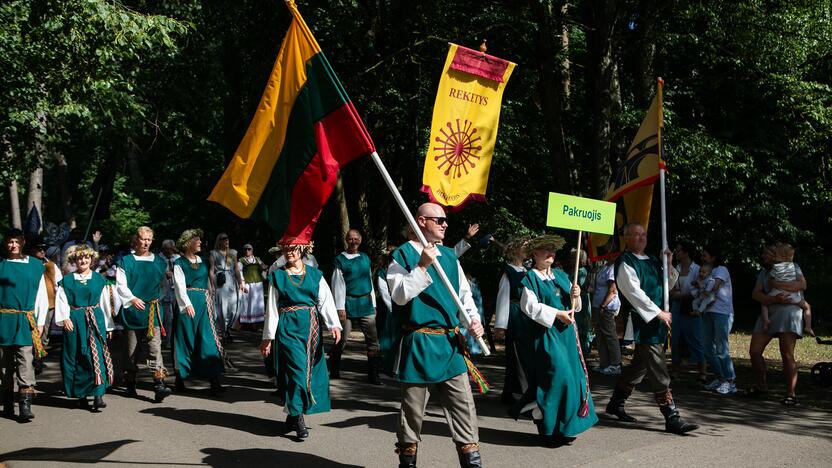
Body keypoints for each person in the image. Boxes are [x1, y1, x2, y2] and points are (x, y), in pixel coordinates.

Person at [387, 203, 485, 468]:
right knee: (412, 414)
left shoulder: (450, 257)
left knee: (465, 410)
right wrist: (421, 267)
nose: (445, 224)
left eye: (445, 220)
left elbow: (464, 295)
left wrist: (474, 321)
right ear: (421, 221)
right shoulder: (402, 255)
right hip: (419, 343)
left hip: (451, 345)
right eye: (439, 219)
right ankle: (407, 463)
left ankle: (472, 464)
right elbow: (398, 295)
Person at [605, 222, 698, 435]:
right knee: (657, 366)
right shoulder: (625, 262)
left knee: (640, 366)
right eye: (636, 234)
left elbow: (669, 284)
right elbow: (633, 292)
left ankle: (616, 403)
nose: (641, 238)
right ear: (627, 238)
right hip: (642, 322)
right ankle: (671, 416)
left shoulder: (654, 260)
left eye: (643, 234)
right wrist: (657, 312)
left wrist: (669, 263)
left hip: (656, 322)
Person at [512, 234, 596, 446]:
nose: (551, 253)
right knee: (558, 378)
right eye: (545, 249)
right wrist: (557, 314)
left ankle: (566, 428)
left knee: (574, 378)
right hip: (546, 335)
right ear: (535, 254)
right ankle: (548, 428)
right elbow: (529, 307)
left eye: (553, 250)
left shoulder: (561, 275)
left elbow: (575, 308)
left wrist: (575, 295)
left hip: (567, 336)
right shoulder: (529, 278)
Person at [259, 237, 342, 440]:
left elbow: (325, 300)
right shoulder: (277, 276)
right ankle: (298, 419)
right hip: (288, 327)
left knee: (308, 372)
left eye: (294, 248)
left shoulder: (315, 275)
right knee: (297, 371)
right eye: (286, 248)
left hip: (311, 329)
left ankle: (293, 410)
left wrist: (334, 324)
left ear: (303, 250)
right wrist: (268, 337)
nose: (289, 251)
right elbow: (272, 308)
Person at [55, 245, 115, 411]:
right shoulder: (66, 281)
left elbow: (104, 303)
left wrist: (109, 326)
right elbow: (61, 300)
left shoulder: (99, 279)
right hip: (75, 320)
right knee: (78, 355)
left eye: (86, 258)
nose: (83, 261)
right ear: (75, 260)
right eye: (80, 258)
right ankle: (81, 393)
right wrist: (64, 318)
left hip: (95, 319)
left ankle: (98, 394)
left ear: (91, 259)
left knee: (96, 355)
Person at [115, 226, 171, 402]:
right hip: (133, 311)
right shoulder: (126, 261)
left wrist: (157, 299)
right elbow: (121, 285)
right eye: (142, 239)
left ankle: (159, 383)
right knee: (132, 351)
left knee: (155, 348)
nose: (146, 242)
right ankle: (130, 380)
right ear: (136, 240)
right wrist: (132, 299)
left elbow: (163, 285)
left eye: (149, 239)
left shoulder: (159, 262)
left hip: (152, 311)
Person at [748, 243, 807, 405]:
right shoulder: (764, 272)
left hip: (789, 312)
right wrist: (774, 299)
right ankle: (761, 385)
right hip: (769, 310)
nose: (763, 257)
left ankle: (791, 394)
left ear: (775, 255)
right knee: (754, 351)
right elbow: (756, 294)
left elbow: (802, 284)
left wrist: (779, 287)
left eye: (766, 254)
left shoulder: (793, 267)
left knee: (787, 354)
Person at [0, 229, 48, 421]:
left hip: (26, 319)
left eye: (16, 241)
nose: (13, 245)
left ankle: (25, 405)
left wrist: (41, 321)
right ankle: (8, 402)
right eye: (10, 241)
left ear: (23, 242)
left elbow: (41, 296)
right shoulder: (1, 266)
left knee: (25, 361)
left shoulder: (35, 266)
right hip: (4, 319)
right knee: (4, 365)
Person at [171, 229, 225, 395]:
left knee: (208, 339)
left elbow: (209, 280)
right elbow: (179, 286)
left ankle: (214, 379)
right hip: (187, 304)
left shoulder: (204, 261)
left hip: (204, 303)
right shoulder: (179, 263)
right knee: (185, 339)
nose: (200, 242)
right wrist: (187, 304)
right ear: (189, 243)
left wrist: (218, 282)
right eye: (197, 240)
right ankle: (180, 378)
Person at [329, 229, 382, 384]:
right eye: (350, 239)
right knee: (341, 339)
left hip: (366, 303)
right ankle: (334, 370)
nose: (353, 241)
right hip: (348, 304)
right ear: (346, 240)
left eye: (356, 239)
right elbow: (337, 285)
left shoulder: (365, 258)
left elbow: (369, 282)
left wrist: (373, 304)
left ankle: (374, 375)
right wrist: (340, 308)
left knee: (373, 341)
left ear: (360, 240)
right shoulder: (340, 260)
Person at [494, 237, 530, 405]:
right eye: (524, 247)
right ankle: (513, 393)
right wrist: (500, 325)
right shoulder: (508, 271)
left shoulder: (528, 270)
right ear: (515, 250)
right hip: (514, 315)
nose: (527, 250)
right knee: (515, 355)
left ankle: (519, 391)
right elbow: (503, 297)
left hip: (527, 316)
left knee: (525, 355)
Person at [699, 245, 736, 395]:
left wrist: (703, 290)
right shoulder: (705, 271)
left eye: (705, 255)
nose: (702, 257)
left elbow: (715, 286)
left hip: (722, 313)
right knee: (707, 348)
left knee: (721, 348)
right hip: (708, 311)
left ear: (713, 257)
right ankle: (721, 379)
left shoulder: (721, 270)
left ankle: (730, 381)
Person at [669, 242, 706, 383]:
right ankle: (675, 370)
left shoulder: (697, 269)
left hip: (691, 307)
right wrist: (675, 294)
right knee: (676, 339)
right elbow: (671, 286)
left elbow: (700, 289)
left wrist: (684, 294)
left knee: (695, 338)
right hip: (677, 307)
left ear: (686, 253)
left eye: (679, 251)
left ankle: (702, 372)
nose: (677, 253)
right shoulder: (676, 268)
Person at [760, 243, 813, 337]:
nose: (762, 256)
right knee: (807, 307)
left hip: (777, 293)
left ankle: (766, 320)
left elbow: (770, 281)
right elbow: (799, 283)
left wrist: (776, 284)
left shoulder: (775, 268)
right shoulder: (793, 267)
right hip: (792, 295)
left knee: (764, 303)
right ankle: (808, 326)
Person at [28, 235, 62, 374]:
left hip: (48, 305)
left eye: (44, 249)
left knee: (44, 334)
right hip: (28, 304)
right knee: (28, 333)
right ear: (31, 250)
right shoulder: (27, 264)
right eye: (39, 249)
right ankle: (27, 359)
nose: (42, 251)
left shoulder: (51, 266)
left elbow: (59, 284)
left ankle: (38, 359)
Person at [209, 233, 243, 343]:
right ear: (219, 241)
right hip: (220, 281)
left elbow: (237, 269)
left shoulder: (233, 253)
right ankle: (223, 331)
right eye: (223, 239)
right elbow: (211, 270)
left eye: (227, 238)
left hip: (232, 281)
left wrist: (241, 282)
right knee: (222, 308)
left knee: (233, 308)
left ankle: (227, 328)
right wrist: (212, 286)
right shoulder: (213, 253)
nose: (226, 240)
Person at [592, 258, 622, 375]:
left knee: (610, 335)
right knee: (600, 335)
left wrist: (603, 305)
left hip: (607, 307)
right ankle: (604, 363)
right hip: (599, 306)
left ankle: (615, 364)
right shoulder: (605, 266)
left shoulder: (612, 268)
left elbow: (612, 290)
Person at [238, 244, 267, 329]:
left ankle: (256, 323)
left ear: (252, 250)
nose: (247, 251)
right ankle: (246, 322)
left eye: (249, 249)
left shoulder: (257, 259)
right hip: (247, 284)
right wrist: (242, 283)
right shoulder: (241, 260)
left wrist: (264, 267)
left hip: (258, 284)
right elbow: (239, 272)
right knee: (247, 302)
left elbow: (263, 267)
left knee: (257, 303)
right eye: (245, 249)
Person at [159, 239, 180, 350]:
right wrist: (164, 274)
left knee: (177, 316)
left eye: (171, 249)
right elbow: (156, 273)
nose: (169, 251)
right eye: (167, 249)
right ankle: (168, 341)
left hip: (176, 291)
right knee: (168, 318)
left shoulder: (177, 258)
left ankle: (177, 340)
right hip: (165, 292)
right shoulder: (159, 259)